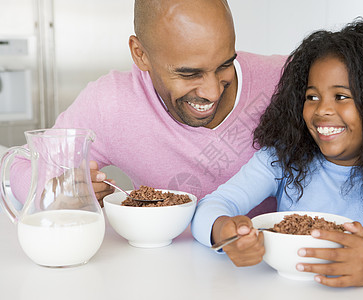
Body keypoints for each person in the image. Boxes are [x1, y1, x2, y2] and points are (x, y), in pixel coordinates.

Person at [191, 18, 363, 299]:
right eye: (312, 96)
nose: (321, 110)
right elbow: (212, 206)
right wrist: (226, 233)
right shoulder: (284, 156)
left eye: (341, 96)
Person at [9, 0, 285, 215]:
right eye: (189, 74)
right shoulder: (112, 103)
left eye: (225, 64)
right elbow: (21, 163)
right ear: (140, 54)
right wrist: (53, 194)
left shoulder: (286, 80)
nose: (212, 91)